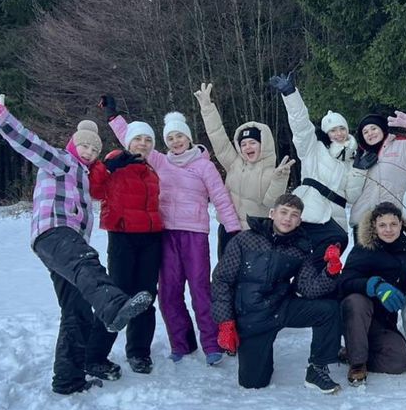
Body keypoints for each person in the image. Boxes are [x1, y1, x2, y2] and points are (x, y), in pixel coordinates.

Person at [0, 86, 153, 395]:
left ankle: (68, 379)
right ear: (73, 145)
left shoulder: (85, 179)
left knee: (77, 313)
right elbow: (26, 142)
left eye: (93, 150)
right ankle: (113, 307)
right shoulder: (61, 162)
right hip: (54, 232)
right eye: (83, 146)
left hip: (66, 243)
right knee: (88, 263)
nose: (87, 152)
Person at [103, 97, 242, 366]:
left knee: (201, 290)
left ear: (189, 138)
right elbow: (132, 140)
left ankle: (211, 344)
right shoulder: (160, 161)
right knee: (169, 292)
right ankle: (182, 343)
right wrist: (113, 117)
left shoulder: (204, 165)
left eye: (180, 136)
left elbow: (221, 198)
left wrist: (233, 229)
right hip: (165, 234)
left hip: (194, 235)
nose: (176, 141)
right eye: (171, 138)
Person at [211, 194, 343, 393]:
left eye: (294, 215)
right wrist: (226, 323)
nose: (287, 218)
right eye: (284, 212)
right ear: (272, 213)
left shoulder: (300, 248)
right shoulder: (245, 240)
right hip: (251, 318)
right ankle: (262, 351)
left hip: (280, 308)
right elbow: (222, 280)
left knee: (329, 310)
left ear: (299, 221)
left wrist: (330, 271)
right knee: (253, 383)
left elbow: (306, 288)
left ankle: (317, 369)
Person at [85, 120, 164, 377]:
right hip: (122, 236)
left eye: (148, 140)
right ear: (128, 141)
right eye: (138, 139)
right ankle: (96, 355)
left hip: (151, 238)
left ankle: (139, 352)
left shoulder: (151, 170)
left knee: (145, 296)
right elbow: (95, 190)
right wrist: (106, 168)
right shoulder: (114, 161)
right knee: (117, 296)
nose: (143, 144)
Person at [193, 82, 294, 257]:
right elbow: (218, 137)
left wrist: (279, 179)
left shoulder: (273, 171)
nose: (247, 146)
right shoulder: (234, 163)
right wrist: (207, 108)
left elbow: (271, 203)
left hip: (255, 234)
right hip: (229, 230)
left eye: (253, 142)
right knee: (225, 278)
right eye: (243, 143)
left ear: (263, 144)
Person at [337, 202, 406, 386]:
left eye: (393, 224)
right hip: (359, 317)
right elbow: (344, 282)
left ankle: (354, 351)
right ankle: (357, 364)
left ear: (401, 224)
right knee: (356, 301)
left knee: (400, 362)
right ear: (374, 226)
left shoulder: (405, 246)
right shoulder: (365, 249)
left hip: (383, 321)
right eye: (382, 225)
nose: (388, 230)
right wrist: (374, 285)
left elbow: (401, 265)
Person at [269, 71, 354, 253]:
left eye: (342, 128)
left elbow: (354, 195)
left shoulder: (354, 159)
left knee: (326, 271)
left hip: (335, 223)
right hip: (307, 215)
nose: (338, 134)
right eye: (333, 130)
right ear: (326, 133)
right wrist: (291, 95)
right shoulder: (313, 149)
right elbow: (301, 127)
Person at [345, 111, 406, 229]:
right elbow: (350, 196)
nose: (370, 133)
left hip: (392, 223)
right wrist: (359, 169)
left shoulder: (404, 148)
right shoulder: (358, 158)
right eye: (365, 132)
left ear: (382, 129)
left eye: (373, 128)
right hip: (363, 225)